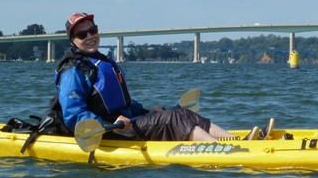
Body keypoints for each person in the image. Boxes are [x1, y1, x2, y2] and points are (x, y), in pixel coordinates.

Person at [55, 12, 236, 141]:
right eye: (82, 34)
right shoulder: (73, 71)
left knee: (181, 112)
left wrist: (147, 112)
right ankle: (219, 149)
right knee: (173, 119)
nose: (90, 36)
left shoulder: (103, 62)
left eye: (92, 30)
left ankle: (234, 141)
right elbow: (73, 114)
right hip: (109, 131)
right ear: (73, 41)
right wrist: (103, 123)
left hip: (127, 125)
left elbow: (123, 103)